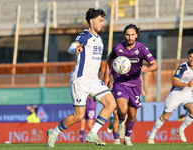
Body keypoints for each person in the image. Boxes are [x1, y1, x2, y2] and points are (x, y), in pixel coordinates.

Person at [46, 8, 116, 147]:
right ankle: (53, 133)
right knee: (78, 116)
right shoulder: (85, 35)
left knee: (111, 104)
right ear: (91, 21)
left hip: (94, 80)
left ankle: (93, 133)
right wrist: (76, 49)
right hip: (80, 80)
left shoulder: (100, 39)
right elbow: (72, 46)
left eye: (103, 20)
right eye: (100, 20)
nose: (102, 23)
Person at [103, 23, 158, 146]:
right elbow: (109, 60)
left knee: (132, 114)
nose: (130, 37)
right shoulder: (117, 48)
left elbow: (155, 64)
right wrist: (107, 76)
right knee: (122, 110)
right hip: (120, 83)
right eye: (127, 35)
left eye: (132, 35)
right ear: (124, 35)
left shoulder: (142, 48)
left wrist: (147, 68)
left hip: (136, 85)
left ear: (136, 35)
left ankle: (127, 138)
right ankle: (121, 122)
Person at [147, 49, 193, 144]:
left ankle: (181, 129)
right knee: (165, 116)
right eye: (190, 56)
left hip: (187, 94)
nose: (192, 59)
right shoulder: (183, 67)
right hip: (176, 94)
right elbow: (174, 82)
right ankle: (151, 135)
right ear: (188, 57)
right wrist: (187, 85)